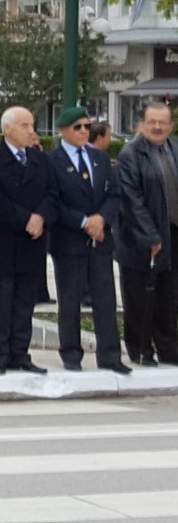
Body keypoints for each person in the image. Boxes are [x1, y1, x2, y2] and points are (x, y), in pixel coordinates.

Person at [48, 106, 129, 374]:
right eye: (78, 127)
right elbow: (54, 202)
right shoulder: (53, 161)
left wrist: (101, 220)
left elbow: (114, 194)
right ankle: (71, 354)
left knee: (105, 300)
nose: (84, 132)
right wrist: (84, 222)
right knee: (70, 301)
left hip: (100, 240)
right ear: (63, 130)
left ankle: (110, 356)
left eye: (88, 127)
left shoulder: (100, 159)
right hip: (70, 241)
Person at [0, 107, 56, 375]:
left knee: (24, 303)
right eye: (25, 125)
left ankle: (19, 353)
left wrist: (41, 217)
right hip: (2, 242)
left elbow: (52, 194)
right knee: (0, 302)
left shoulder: (39, 160)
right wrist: (26, 219)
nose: (31, 131)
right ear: (7, 129)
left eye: (32, 125)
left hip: (32, 244)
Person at [116, 101, 178, 366]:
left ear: (170, 125)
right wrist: (151, 236)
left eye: (162, 122)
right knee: (140, 298)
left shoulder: (175, 147)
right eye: (151, 121)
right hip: (140, 240)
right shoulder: (131, 153)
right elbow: (132, 200)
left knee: (169, 296)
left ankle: (168, 348)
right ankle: (141, 349)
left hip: (173, 234)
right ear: (143, 123)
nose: (156, 127)